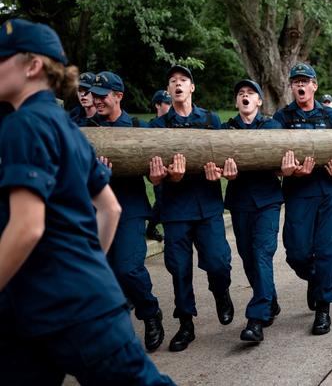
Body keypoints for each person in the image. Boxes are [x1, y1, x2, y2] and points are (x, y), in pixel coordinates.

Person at [0, 18, 173, 384]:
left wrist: (78, 275)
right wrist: (90, 266)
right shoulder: (68, 127)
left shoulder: (25, 125)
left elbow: (27, 226)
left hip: (72, 306)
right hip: (38, 307)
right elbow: (109, 208)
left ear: (32, 66)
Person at [149, 65, 233, 352]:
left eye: (183, 80)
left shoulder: (210, 120)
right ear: (169, 90)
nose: (177, 84)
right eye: (172, 81)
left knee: (219, 262)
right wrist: (164, 176)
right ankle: (186, 323)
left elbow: (223, 159)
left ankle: (221, 292)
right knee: (179, 269)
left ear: (192, 88)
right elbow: (152, 173)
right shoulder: (157, 127)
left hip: (207, 206)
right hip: (175, 209)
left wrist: (221, 172)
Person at [88, 71, 165, 352]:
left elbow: (154, 174)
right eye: (93, 96)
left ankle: (150, 312)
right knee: (103, 275)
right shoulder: (85, 129)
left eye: (102, 96)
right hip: (95, 210)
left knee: (127, 269)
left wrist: (156, 176)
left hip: (130, 208)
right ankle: (117, 334)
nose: (96, 101)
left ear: (118, 96)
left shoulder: (137, 127)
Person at [272, 63, 332, 335]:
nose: (300, 85)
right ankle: (315, 279)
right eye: (296, 82)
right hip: (299, 193)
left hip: (330, 191)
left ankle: (323, 308)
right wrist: (283, 169)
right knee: (298, 254)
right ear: (291, 87)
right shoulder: (282, 118)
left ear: (315, 86)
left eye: (306, 81)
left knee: (327, 251)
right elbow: (269, 153)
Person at [208, 79, 283, 342]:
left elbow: (279, 161)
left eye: (250, 93)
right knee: (249, 258)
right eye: (240, 93)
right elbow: (215, 160)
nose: (245, 96)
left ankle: (257, 318)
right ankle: (270, 300)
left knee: (262, 253)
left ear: (259, 101)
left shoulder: (272, 126)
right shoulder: (227, 130)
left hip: (268, 201)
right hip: (240, 202)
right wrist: (222, 172)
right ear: (237, 102)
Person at [145, 90, 172, 242]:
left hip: (175, 170)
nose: (171, 105)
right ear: (157, 105)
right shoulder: (150, 127)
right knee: (162, 202)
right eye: (167, 103)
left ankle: (150, 228)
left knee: (162, 203)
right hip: (158, 172)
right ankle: (152, 229)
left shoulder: (175, 123)